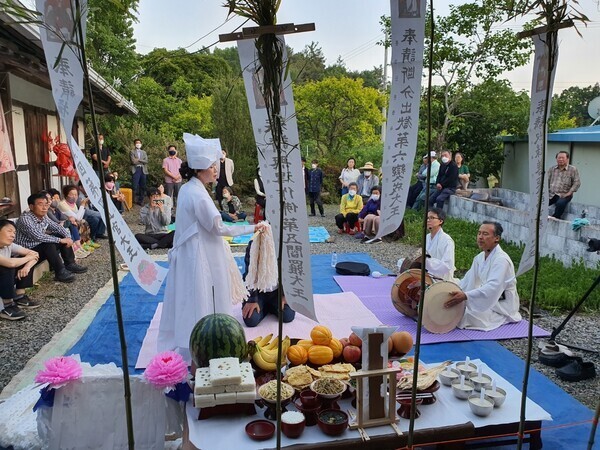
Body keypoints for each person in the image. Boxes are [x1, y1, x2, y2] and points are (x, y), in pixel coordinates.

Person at [158, 135, 266, 359]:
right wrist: (253, 228)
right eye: (211, 166)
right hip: (201, 252)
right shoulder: (197, 193)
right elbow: (219, 228)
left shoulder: (191, 188)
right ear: (199, 169)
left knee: (193, 294)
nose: (216, 170)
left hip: (195, 250)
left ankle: (198, 338)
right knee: (202, 294)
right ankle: (205, 342)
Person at [445, 221, 521, 331]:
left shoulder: (502, 260)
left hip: (500, 305)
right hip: (487, 299)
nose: (480, 237)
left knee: (464, 316)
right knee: (456, 309)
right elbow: (467, 281)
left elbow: (493, 288)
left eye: (485, 234)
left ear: (497, 238)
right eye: (479, 233)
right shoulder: (479, 258)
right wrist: (449, 287)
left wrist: (466, 296)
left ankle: (502, 317)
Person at [15, 192, 87, 283]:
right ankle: (60, 272)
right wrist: (61, 240)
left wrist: (68, 237)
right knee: (49, 244)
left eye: (46, 204)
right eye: (40, 204)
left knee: (61, 235)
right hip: (27, 251)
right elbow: (39, 236)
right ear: (31, 207)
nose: (44, 208)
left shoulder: (43, 216)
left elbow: (56, 227)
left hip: (39, 247)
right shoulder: (25, 219)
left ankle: (70, 264)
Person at [241, 239, 295, 327]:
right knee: (251, 320)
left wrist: (286, 295)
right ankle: (264, 307)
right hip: (258, 292)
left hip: (277, 292)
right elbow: (249, 274)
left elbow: (289, 272)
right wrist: (252, 300)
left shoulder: (284, 245)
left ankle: (271, 306)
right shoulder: (253, 245)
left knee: (287, 316)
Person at [0, 219, 41, 320]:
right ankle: (7, 306)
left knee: (22, 262)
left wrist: (27, 266)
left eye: (14, 232)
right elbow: (10, 263)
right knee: (10, 264)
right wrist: (28, 258)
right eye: (9, 231)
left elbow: (35, 254)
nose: (13, 235)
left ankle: (19, 296)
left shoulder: (9, 246)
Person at [548, 151, 581, 219]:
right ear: (556, 159)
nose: (560, 159)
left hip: (564, 194)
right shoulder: (552, 169)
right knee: (540, 202)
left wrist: (569, 193)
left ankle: (555, 217)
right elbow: (546, 181)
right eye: (559, 158)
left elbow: (577, 182)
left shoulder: (573, 169)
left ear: (567, 159)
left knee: (560, 203)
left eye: (563, 158)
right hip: (551, 194)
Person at [424, 208, 455, 281]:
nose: (428, 220)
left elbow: (447, 266)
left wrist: (426, 262)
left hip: (441, 279)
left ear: (440, 221)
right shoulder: (427, 237)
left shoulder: (447, 240)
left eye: (432, 218)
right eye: (427, 218)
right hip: (428, 276)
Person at [130, 138, 148, 206]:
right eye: (137, 143)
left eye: (139, 143)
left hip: (143, 170)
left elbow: (146, 161)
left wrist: (139, 159)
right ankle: (132, 200)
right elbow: (133, 161)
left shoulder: (144, 152)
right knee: (134, 186)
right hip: (136, 169)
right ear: (134, 144)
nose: (138, 144)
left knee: (143, 186)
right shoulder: (132, 151)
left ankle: (141, 200)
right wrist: (141, 160)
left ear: (141, 144)